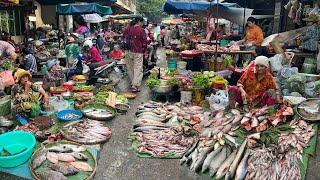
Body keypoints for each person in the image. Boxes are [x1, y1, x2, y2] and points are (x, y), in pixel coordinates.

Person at [123, 17, 147, 93]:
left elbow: (122, 38)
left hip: (127, 51)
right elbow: (144, 42)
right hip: (137, 51)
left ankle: (132, 83)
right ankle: (134, 85)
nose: (143, 24)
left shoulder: (127, 29)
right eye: (142, 22)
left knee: (130, 68)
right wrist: (145, 51)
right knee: (138, 68)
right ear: (139, 22)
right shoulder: (141, 30)